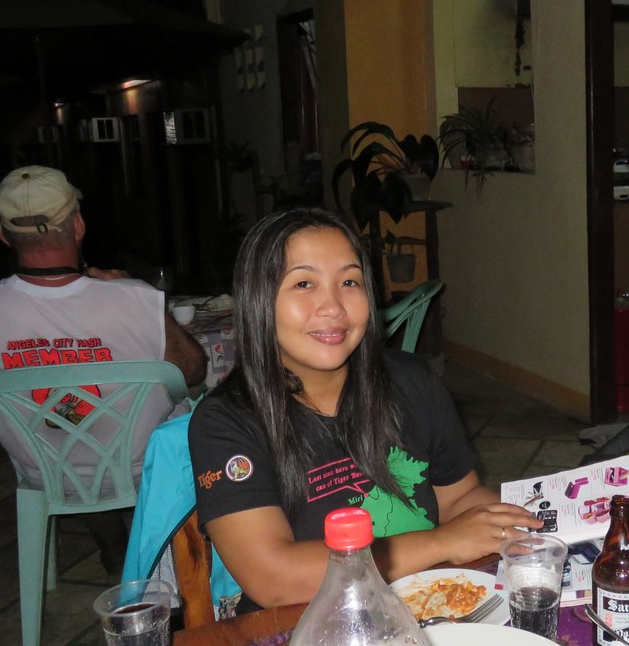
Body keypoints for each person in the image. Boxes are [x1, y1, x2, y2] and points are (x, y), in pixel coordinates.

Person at [189, 207, 542, 613]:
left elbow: (458, 497)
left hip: (427, 599)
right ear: (258, 300)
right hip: (309, 620)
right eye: (304, 283)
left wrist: (527, 524)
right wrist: (441, 542)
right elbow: (274, 579)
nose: (333, 306)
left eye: (349, 282)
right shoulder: (226, 422)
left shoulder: (412, 380)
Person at [0, 165, 207, 574]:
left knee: (69, 427)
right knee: (191, 410)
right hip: (149, 468)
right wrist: (146, 304)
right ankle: (166, 548)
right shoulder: (132, 299)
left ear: (3, 234)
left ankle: (113, 541)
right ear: (78, 225)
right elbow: (193, 370)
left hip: (46, 471)